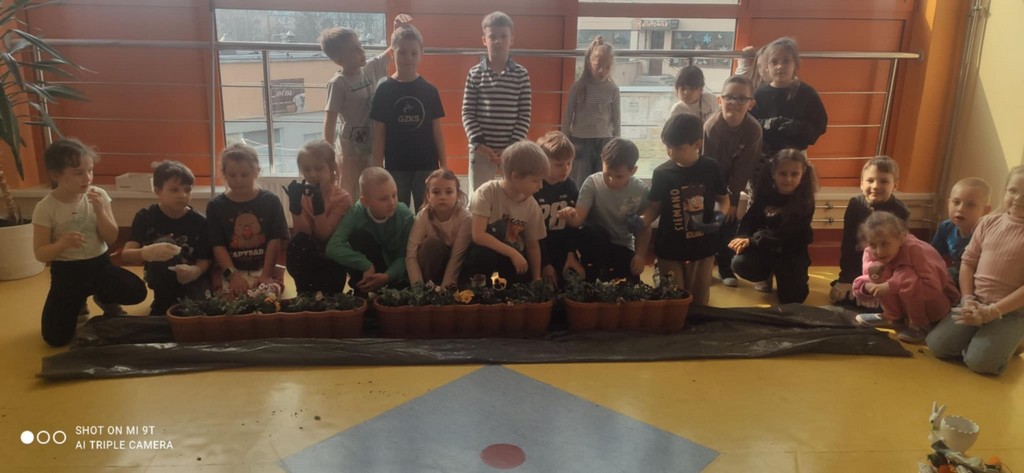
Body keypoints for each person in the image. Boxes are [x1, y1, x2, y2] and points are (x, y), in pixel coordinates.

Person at [31, 138, 146, 346]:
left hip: (99, 266)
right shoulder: (46, 207)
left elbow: (111, 237)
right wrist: (61, 244)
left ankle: (105, 298)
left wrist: (100, 210)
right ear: (56, 174)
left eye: (90, 170)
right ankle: (78, 304)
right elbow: (40, 253)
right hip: (67, 273)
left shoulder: (98, 195)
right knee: (55, 338)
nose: (88, 178)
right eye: (78, 173)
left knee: (137, 291)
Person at [927, 166, 1024, 375]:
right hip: (976, 301)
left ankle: (1014, 338)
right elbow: (968, 262)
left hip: (1011, 311)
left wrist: (992, 312)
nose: (1018, 198)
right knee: (937, 346)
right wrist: (968, 298)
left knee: (980, 364)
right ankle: (990, 339)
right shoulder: (988, 222)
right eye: (1012, 190)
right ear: (1005, 191)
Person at [638, 114, 729, 306]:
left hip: (702, 248)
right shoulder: (662, 173)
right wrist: (642, 220)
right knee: (673, 301)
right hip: (669, 247)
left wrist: (718, 218)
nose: (671, 152)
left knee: (698, 303)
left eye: (678, 148)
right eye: (667, 146)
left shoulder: (711, 168)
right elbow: (654, 207)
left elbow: (723, 199)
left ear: (697, 144)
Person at [320, 14, 413, 196]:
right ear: (339, 58)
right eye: (354, 49)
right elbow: (329, 120)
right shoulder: (338, 84)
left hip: (371, 144)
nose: (361, 51)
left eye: (360, 45)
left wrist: (397, 28)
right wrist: (328, 156)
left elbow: (391, 51)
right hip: (350, 150)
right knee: (350, 190)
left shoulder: (369, 69)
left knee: (370, 187)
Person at [852, 211, 960, 344]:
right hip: (905, 304)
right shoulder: (870, 252)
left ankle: (920, 324)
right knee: (878, 269)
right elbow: (871, 277)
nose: (879, 251)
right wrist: (866, 287)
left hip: (935, 306)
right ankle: (893, 317)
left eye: (885, 244)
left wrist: (893, 285)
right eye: (873, 244)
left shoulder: (916, 251)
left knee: (907, 274)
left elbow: (932, 287)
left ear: (901, 238)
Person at [121, 161, 212, 316]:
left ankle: (175, 300)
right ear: (158, 190)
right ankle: (162, 300)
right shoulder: (145, 216)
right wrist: (145, 252)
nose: (182, 195)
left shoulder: (200, 222)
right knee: (165, 243)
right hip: (160, 278)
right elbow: (126, 254)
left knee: (195, 313)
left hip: (190, 279)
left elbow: (205, 259)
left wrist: (195, 271)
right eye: (174, 190)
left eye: (187, 190)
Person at [371, 24, 445, 210]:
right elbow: (379, 133)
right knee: (396, 213)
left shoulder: (430, 90)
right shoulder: (383, 90)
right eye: (402, 52)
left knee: (427, 213)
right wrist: (378, 169)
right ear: (392, 54)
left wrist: (444, 165)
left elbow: (437, 130)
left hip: (426, 166)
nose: (408, 58)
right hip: (395, 166)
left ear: (421, 54)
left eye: (413, 53)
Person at [729, 149, 817, 304]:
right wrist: (742, 237)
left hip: (791, 251)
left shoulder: (806, 201)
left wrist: (751, 240)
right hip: (765, 248)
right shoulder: (765, 194)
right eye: (783, 174)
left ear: (803, 174)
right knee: (740, 263)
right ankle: (765, 275)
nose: (788, 179)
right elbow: (750, 219)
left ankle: (792, 276)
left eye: (794, 174)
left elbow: (786, 233)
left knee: (794, 298)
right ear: (773, 174)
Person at [560, 138, 650, 284]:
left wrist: (640, 255)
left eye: (619, 176)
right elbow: (578, 219)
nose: (612, 180)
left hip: (622, 244)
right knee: (595, 233)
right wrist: (569, 215)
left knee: (632, 280)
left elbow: (644, 227)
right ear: (602, 160)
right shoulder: (592, 183)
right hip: (595, 244)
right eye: (607, 174)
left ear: (633, 170)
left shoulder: (641, 190)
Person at [703, 75, 763, 288]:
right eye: (729, 97)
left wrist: (732, 200)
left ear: (750, 103)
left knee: (730, 218)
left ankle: (725, 266)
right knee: (709, 218)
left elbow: (744, 169)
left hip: (733, 182)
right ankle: (704, 265)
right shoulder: (712, 127)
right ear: (720, 100)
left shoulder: (753, 130)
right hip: (709, 182)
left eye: (741, 98)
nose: (734, 103)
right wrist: (719, 199)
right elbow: (708, 167)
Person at [206, 143, 289, 297]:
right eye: (232, 175)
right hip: (230, 270)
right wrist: (233, 276)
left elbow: (275, 241)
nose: (238, 180)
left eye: (244, 175)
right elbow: (218, 246)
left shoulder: (271, 201)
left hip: (265, 268)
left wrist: (266, 274)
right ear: (224, 174)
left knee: (268, 298)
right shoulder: (215, 206)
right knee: (225, 301)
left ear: (256, 172)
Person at [461, 141, 548, 284]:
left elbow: (533, 245)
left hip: (512, 260)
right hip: (486, 256)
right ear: (515, 176)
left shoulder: (532, 206)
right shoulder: (487, 192)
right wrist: (512, 253)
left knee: (521, 274)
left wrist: (536, 277)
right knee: (483, 256)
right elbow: (478, 236)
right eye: (535, 180)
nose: (540, 186)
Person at [462, 11, 532, 190]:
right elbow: (467, 112)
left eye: (503, 36)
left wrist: (511, 147)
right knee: (479, 196)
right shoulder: (475, 73)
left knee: (512, 194)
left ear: (511, 39)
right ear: (484, 40)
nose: (498, 41)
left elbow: (524, 114)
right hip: (481, 152)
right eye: (492, 36)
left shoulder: (521, 74)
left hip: (511, 151)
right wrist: (479, 144)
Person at [830, 156, 910, 306]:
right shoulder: (855, 205)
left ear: (895, 185)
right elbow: (848, 244)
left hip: (886, 266)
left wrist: (886, 282)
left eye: (884, 181)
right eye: (870, 180)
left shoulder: (901, 211)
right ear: (861, 184)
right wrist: (846, 278)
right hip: (858, 264)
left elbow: (900, 251)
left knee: (888, 301)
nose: (875, 186)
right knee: (841, 298)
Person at [326, 167, 414, 295]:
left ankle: (388, 289)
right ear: (365, 202)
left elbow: (405, 256)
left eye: (394, 195)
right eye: (383, 199)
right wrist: (365, 265)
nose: (392, 202)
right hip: (368, 269)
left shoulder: (405, 216)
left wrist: (387, 276)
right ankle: (362, 290)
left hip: (395, 272)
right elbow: (333, 247)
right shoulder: (357, 212)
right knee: (359, 236)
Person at [283, 140, 354, 295]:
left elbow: (325, 236)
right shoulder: (303, 195)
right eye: (306, 169)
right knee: (297, 243)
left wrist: (319, 209)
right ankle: (304, 292)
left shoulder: (343, 198)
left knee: (330, 298)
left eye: (319, 168)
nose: (313, 174)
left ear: (332, 168)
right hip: (308, 258)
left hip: (332, 258)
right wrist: (295, 208)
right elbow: (303, 235)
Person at [749, 37, 828, 166]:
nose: (780, 66)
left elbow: (820, 124)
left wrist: (797, 127)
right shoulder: (759, 94)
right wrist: (767, 123)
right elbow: (750, 121)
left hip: (796, 155)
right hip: (764, 155)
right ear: (767, 67)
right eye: (774, 62)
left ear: (795, 64)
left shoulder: (807, 93)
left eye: (786, 61)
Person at [562, 36, 620, 186]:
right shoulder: (578, 87)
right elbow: (568, 116)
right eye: (597, 66)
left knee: (602, 180)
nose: (602, 71)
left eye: (607, 67)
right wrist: (565, 141)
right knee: (580, 180)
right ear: (589, 64)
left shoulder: (613, 89)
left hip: (605, 141)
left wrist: (617, 142)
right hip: (580, 141)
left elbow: (616, 118)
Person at [405, 169, 472, 287]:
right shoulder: (423, 216)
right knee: (431, 244)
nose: (442, 197)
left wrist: (445, 290)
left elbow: (457, 257)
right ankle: (429, 288)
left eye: (449, 192)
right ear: (428, 196)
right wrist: (418, 288)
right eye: (436, 192)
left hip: (457, 268)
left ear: (457, 195)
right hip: (432, 267)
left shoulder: (465, 218)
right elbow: (411, 255)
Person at [534, 131, 584, 287]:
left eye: (569, 163)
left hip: (562, 246)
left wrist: (571, 253)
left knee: (567, 285)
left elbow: (574, 227)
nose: (566, 169)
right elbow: (532, 233)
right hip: (538, 247)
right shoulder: (535, 187)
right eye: (559, 164)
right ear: (543, 162)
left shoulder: (571, 186)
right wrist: (545, 264)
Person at [931, 177, 991, 288]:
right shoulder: (946, 227)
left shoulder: (986, 234)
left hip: (974, 282)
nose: (960, 209)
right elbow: (932, 255)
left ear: (985, 210)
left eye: (970, 205)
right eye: (956, 202)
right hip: (951, 276)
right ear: (948, 203)